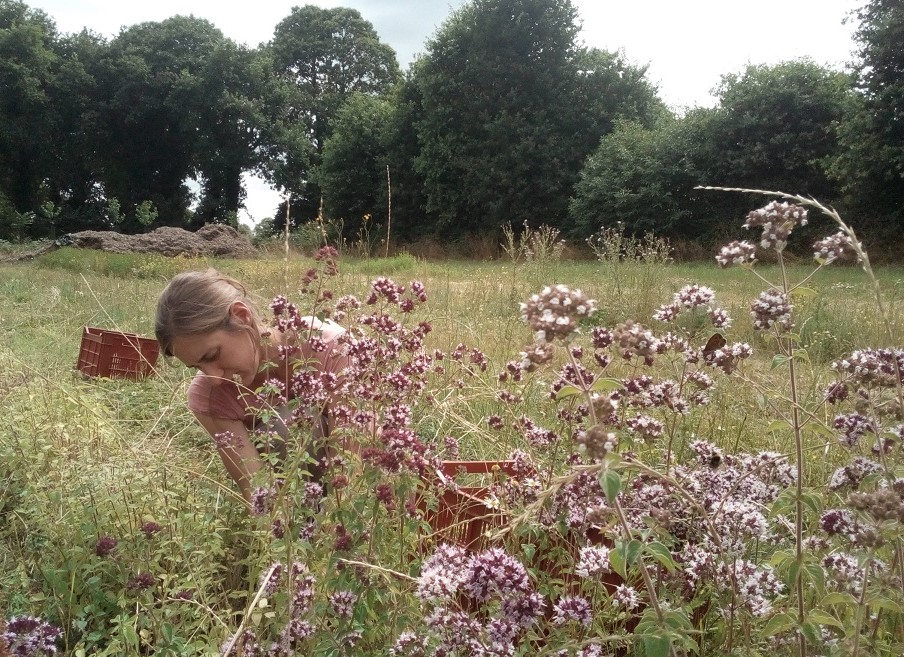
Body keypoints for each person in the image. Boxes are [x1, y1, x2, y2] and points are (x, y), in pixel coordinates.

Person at [155, 269, 348, 505]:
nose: (214, 378)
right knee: (282, 432)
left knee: (298, 422)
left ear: (241, 316)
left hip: (352, 498)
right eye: (196, 366)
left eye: (213, 354)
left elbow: (354, 459)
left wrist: (335, 530)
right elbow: (257, 490)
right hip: (292, 513)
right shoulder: (208, 395)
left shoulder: (329, 346)